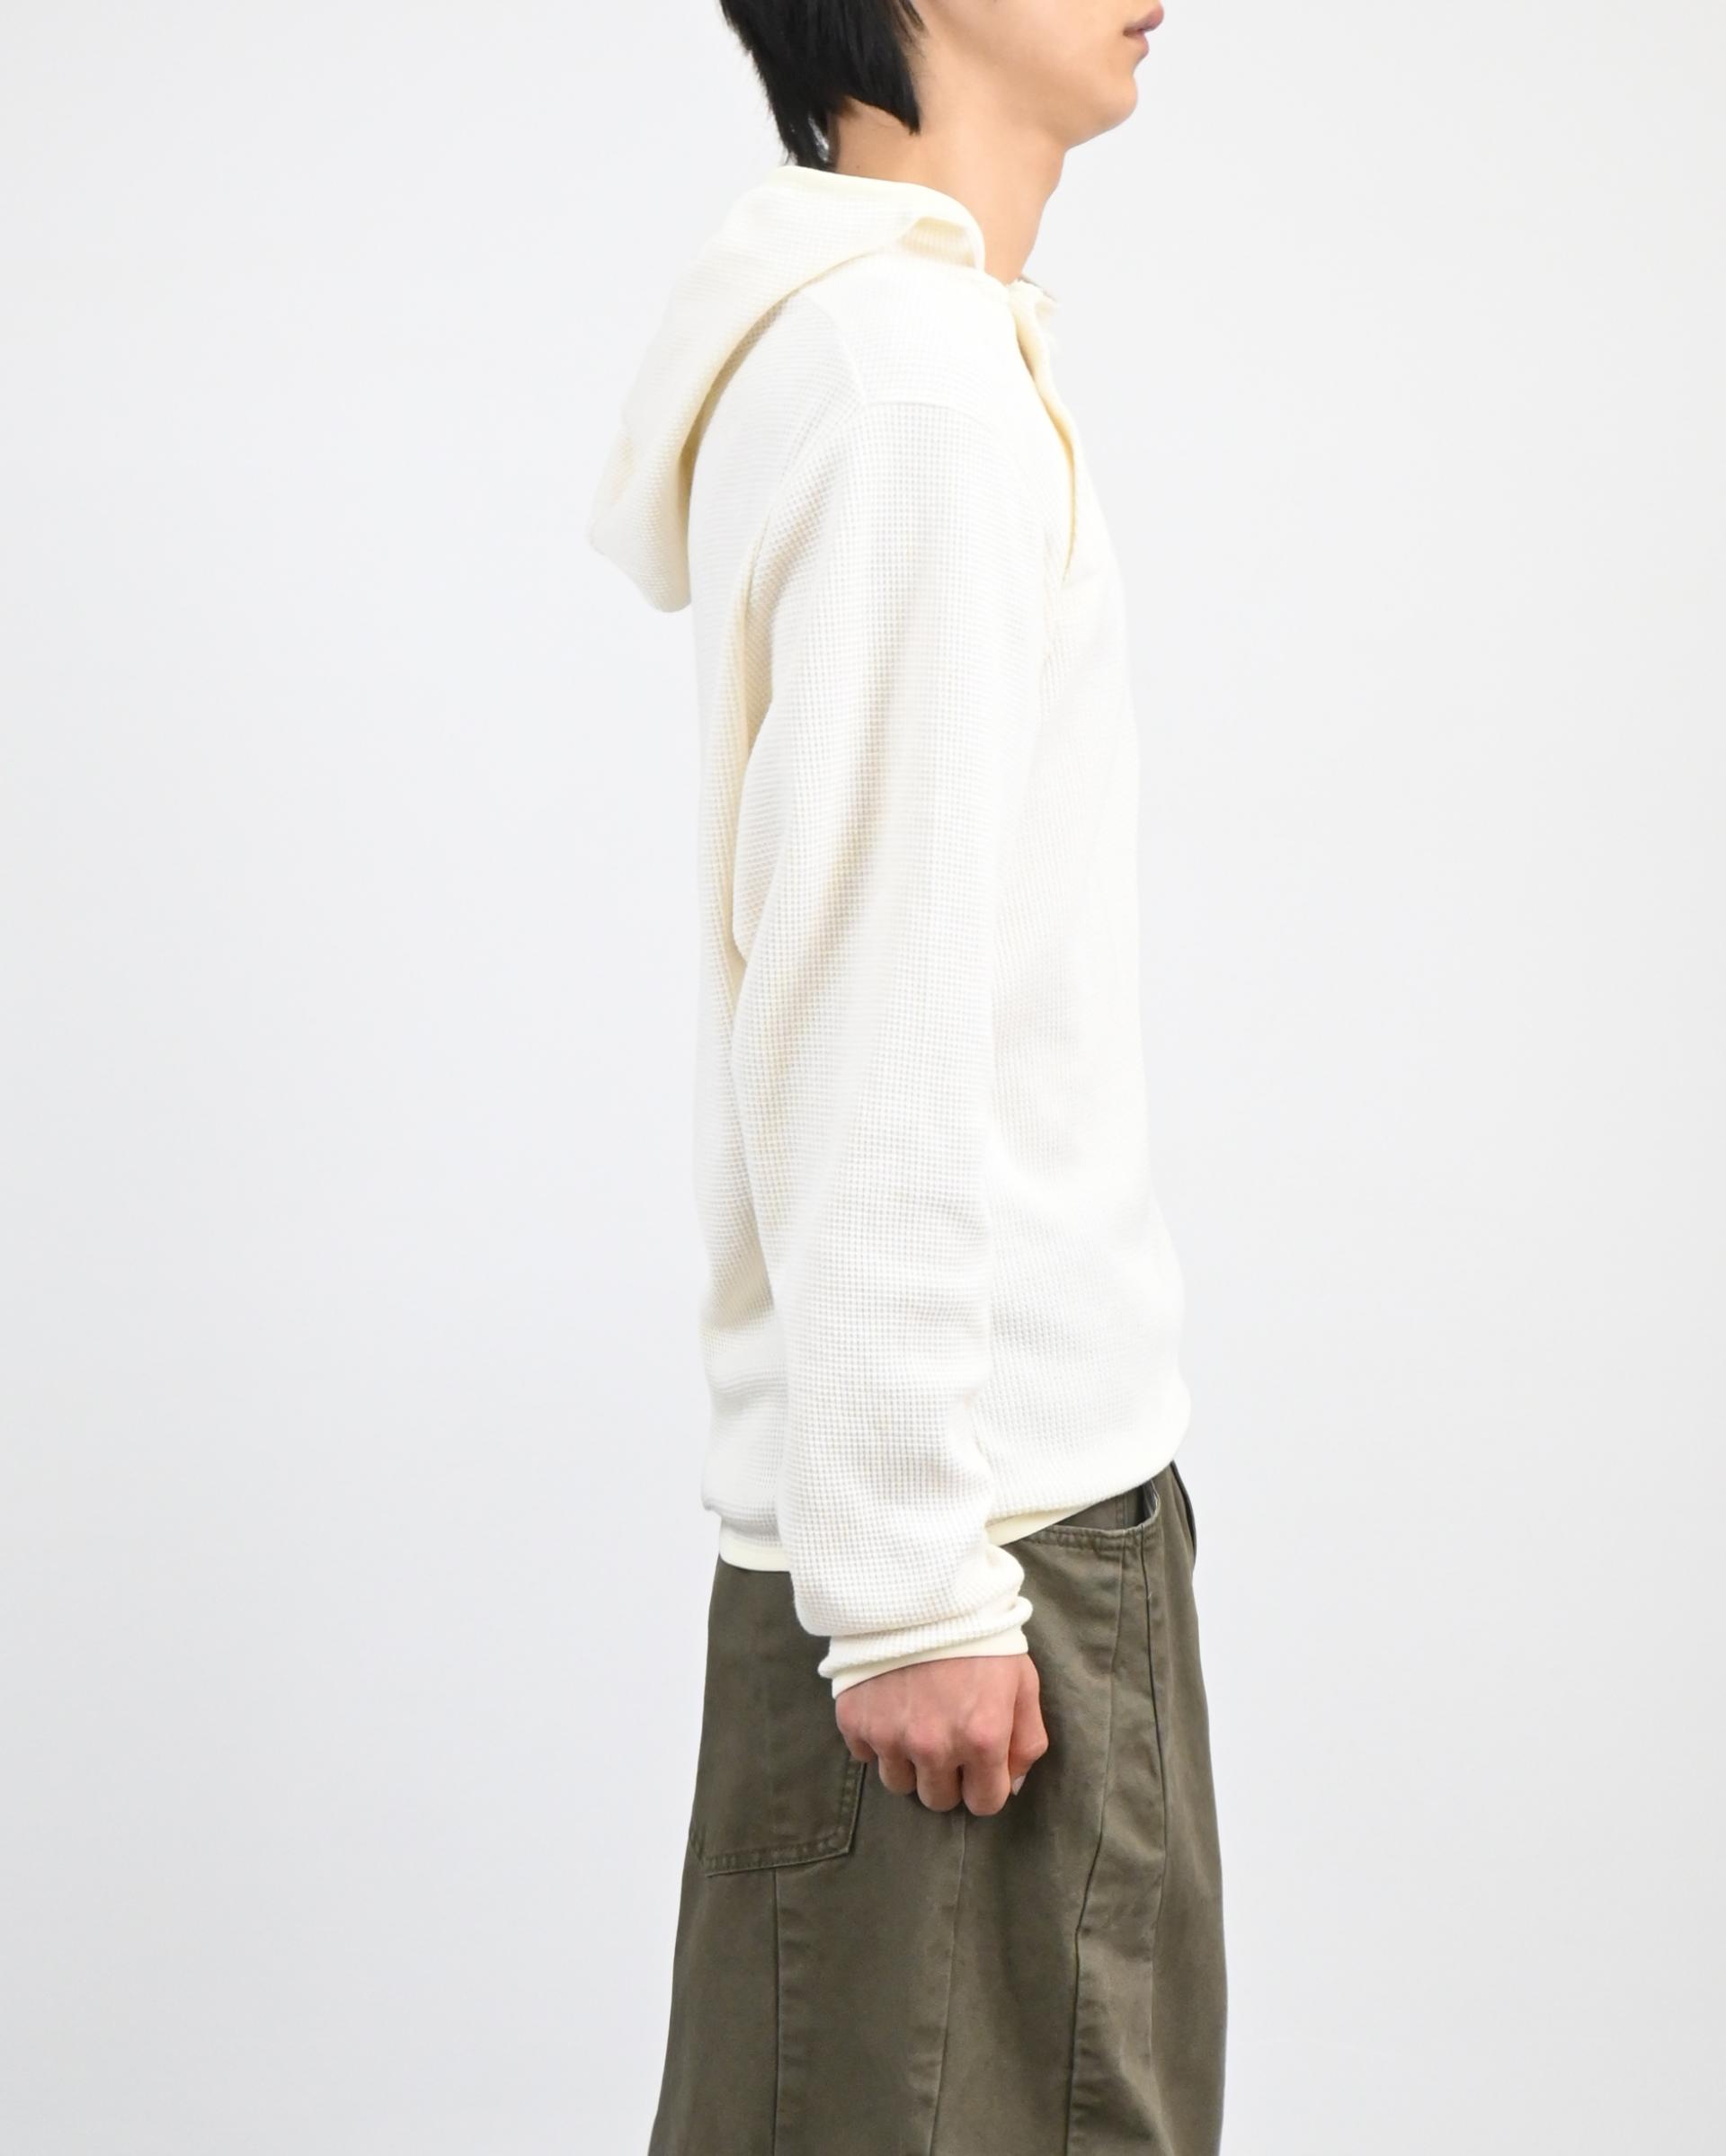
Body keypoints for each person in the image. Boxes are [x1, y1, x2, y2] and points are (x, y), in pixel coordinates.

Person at [588, 3, 1225, 2148]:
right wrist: (914, 1594)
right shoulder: (914, 393)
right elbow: (862, 995)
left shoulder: (888, 356)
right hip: (991, 1555)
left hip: (968, 1522)